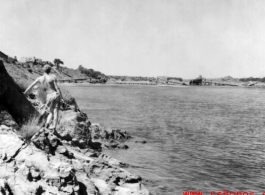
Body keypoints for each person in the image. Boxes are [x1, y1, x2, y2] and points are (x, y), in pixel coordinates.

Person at [24, 64, 64, 130]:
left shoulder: (39, 78)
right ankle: (54, 127)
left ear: (43, 70)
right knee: (55, 111)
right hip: (56, 94)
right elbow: (57, 88)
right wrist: (62, 98)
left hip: (49, 96)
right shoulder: (53, 77)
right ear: (50, 70)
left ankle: (47, 124)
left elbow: (31, 85)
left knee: (50, 111)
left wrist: (25, 92)